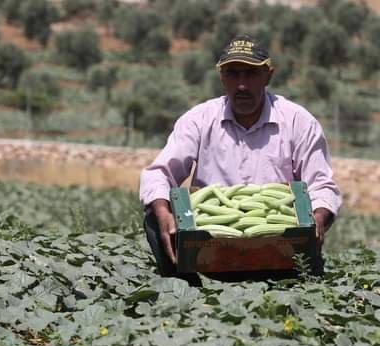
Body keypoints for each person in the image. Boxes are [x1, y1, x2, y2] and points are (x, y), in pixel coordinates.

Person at [138, 34, 342, 279]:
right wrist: (164, 214)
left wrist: (317, 218)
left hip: (277, 242)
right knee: (154, 216)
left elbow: (321, 184)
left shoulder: (299, 122)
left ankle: (290, 282)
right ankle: (185, 286)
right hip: (210, 241)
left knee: (304, 231)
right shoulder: (199, 120)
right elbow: (159, 174)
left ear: (268, 76)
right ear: (221, 77)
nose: (242, 85)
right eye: (233, 74)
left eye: (251, 73)